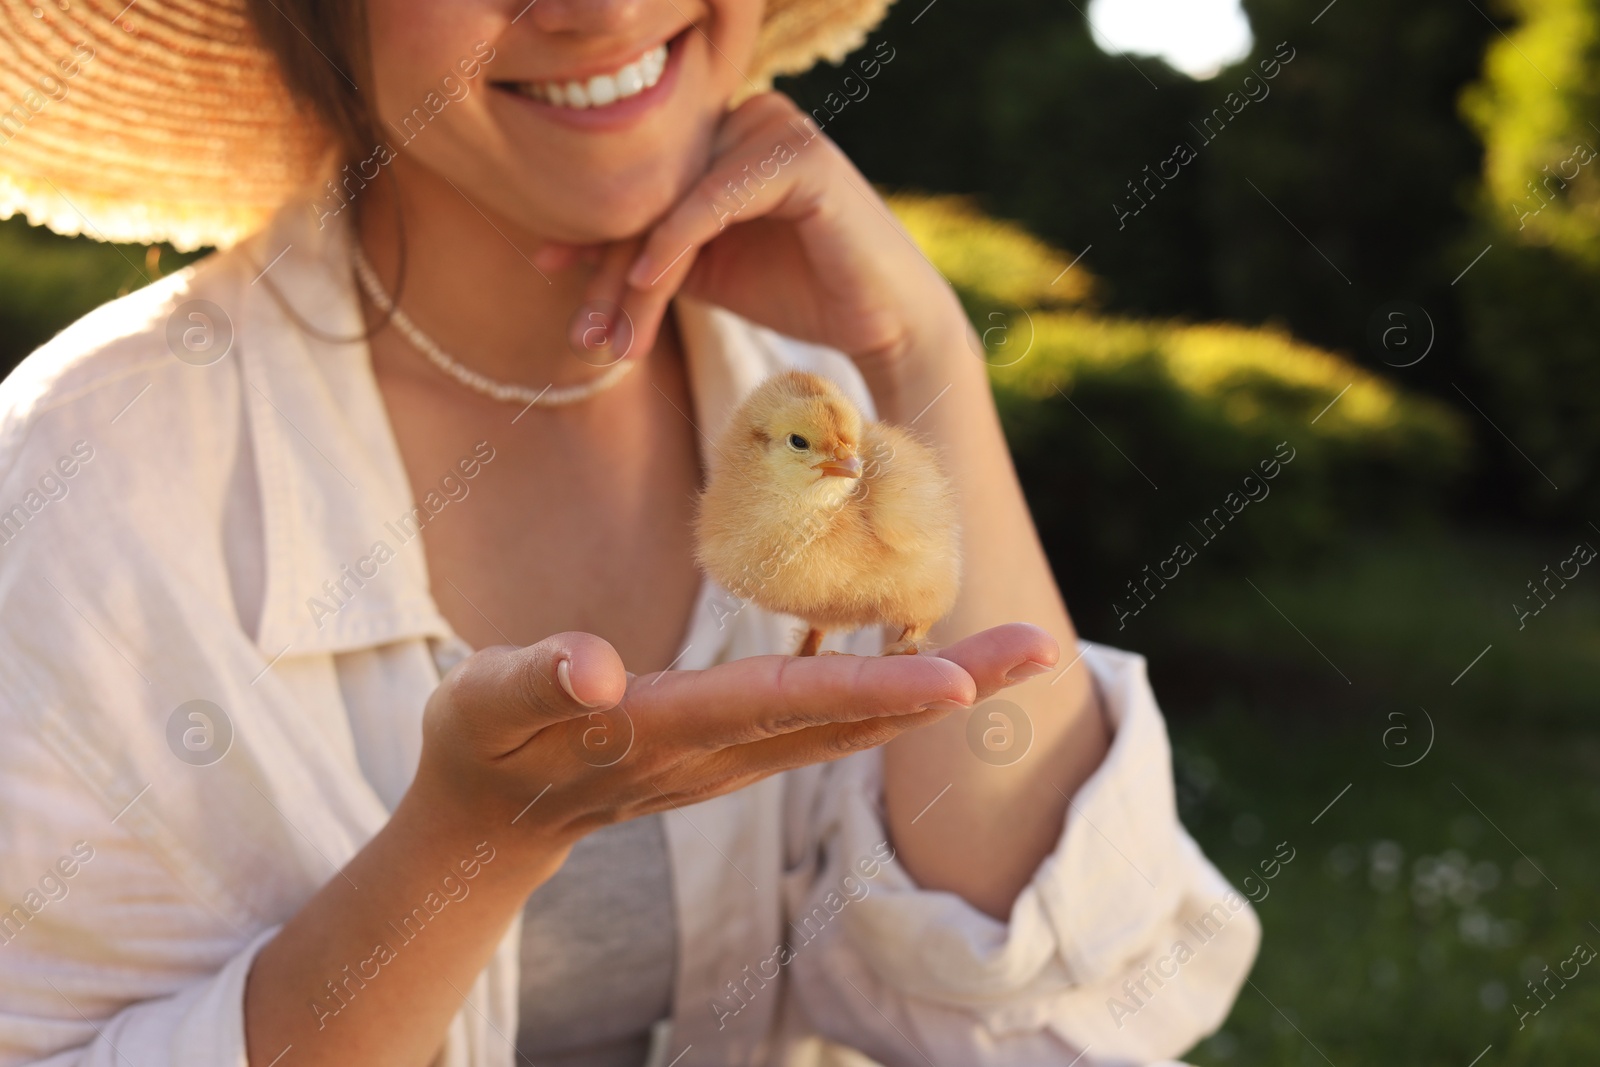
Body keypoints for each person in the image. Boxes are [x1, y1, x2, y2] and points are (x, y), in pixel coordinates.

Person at [0, 1, 1258, 1065]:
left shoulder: (818, 387)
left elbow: (1060, 1013)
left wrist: (920, 356)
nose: (596, 6)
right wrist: (473, 842)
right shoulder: (85, 488)